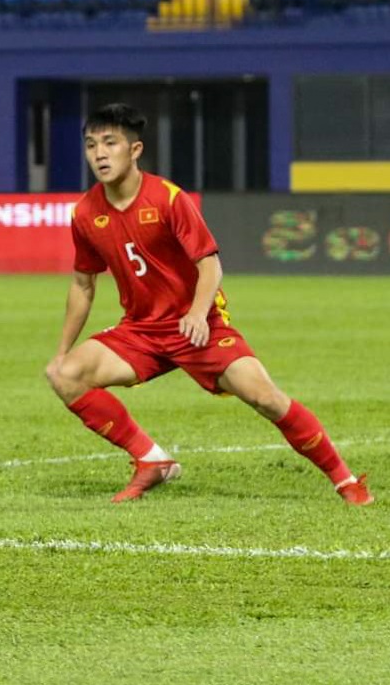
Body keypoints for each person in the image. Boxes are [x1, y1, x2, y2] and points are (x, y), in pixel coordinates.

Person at [45, 104, 372, 505]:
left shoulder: (168, 199)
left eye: (110, 143)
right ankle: (152, 461)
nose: (99, 153)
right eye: (91, 145)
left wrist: (198, 313)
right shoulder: (85, 213)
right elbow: (83, 284)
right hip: (142, 331)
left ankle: (346, 481)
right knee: (67, 376)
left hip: (198, 325)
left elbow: (210, 264)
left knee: (265, 397)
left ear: (134, 150)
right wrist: (61, 353)